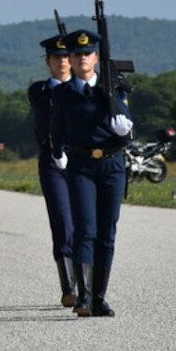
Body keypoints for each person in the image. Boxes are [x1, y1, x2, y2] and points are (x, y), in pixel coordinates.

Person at [49, 29, 133, 317]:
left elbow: (127, 129)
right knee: (86, 230)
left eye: (87, 53)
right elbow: (56, 128)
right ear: (70, 59)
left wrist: (125, 132)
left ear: (96, 57)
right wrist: (57, 152)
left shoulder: (114, 90)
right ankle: (83, 297)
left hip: (112, 166)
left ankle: (99, 297)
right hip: (80, 165)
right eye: (76, 54)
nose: (81, 58)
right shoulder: (62, 94)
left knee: (107, 233)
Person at [29, 35, 77, 307]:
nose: (62, 61)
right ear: (48, 62)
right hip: (52, 160)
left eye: (65, 56)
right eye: (56, 57)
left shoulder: (88, 88)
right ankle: (68, 285)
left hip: (81, 159)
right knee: (62, 220)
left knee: (85, 224)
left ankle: (87, 285)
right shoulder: (40, 91)